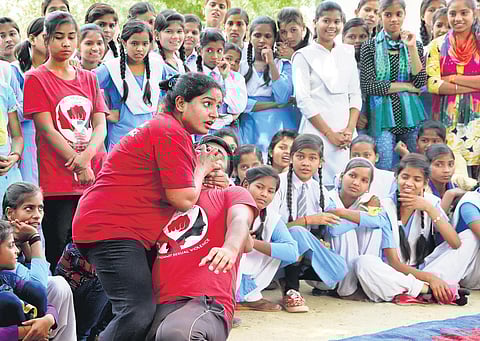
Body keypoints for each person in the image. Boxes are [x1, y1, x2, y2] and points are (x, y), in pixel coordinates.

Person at [72, 73, 225, 341]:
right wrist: (201, 170)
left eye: (218, 106)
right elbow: (184, 199)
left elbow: (186, 188)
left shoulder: (170, 130)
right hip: (112, 227)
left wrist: (205, 176)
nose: (214, 113)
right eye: (207, 103)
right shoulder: (170, 130)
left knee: (138, 309)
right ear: (180, 103)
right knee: (137, 310)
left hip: (118, 227)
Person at [23, 11, 107, 272]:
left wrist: (87, 160)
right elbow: (46, 128)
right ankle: (59, 308)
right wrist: (80, 164)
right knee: (59, 245)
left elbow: (100, 124)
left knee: (89, 245)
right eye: (59, 37)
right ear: (46, 39)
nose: (66, 43)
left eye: (72, 37)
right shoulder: (36, 78)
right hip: (57, 180)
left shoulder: (89, 78)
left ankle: (89, 307)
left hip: (91, 176)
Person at [355, 154, 470, 305]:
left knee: (468, 237)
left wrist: (429, 209)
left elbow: (455, 243)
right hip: (394, 273)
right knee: (364, 263)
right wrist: (431, 280)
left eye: (417, 180)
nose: (409, 183)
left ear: (425, 183)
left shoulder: (430, 202)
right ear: (396, 178)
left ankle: (415, 292)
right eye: (405, 177)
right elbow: (394, 263)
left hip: (426, 269)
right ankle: (427, 291)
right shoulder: (383, 206)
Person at [270, 134, 348, 312]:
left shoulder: (319, 189)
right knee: (297, 233)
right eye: (300, 156)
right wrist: (308, 220)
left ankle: (292, 276)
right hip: (275, 252)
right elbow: (271, 229)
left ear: (320, 162)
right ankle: (291, 289)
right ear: (291, 158)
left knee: (339, 270)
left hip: (302, 254)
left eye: (312, 158)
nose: (306, 163)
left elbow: (337, 220)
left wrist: (321, 239)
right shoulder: (277, 183)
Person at [293, 1, 361, 187]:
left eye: (337, 21)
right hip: (316, 130)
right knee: (315, 182)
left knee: (344, 183)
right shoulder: (303, 55)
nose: (331, 26)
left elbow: (355, 94)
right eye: (326, 21)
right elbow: (303, 100)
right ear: (315, 22)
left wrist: (349, 129)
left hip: (345, 133)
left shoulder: (347, 52)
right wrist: (329, 134)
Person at [5, 182, 77, 340]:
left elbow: (41, 291)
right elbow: (39, 287)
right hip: (9, 318)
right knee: (57, 285)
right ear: (10, 213)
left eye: (41, 208)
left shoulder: (28, 237)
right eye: (29, 208)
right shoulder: (3, 242)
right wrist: (33, 238)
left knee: (59, 284)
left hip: (28, 310)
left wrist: (49, 318)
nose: (37, 215)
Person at [360, 0, 427, 171]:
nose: (394, 19)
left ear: (404, 15)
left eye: (398, 14)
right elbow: (369, 86)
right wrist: (406, 87)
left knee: (416, 164)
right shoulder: (369, 46)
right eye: (388, 15)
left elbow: (419, 82)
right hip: (381, 116)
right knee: (383, 165)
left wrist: (411, 48)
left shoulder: (415, 44)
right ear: (380, 16)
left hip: (411, 114)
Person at [426, 0, 480, 177]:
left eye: (464, 13)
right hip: (447, 120)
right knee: (453, 172)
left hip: (477, 120)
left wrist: (453, 78)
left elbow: (442, 82)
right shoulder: (437, 45)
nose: (458, 18)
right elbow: (433, 84)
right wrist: (472, 86)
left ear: (474, 14)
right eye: (453, 14)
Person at [236, 166, 298, 312]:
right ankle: (225, 298)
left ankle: (250, 297)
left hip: (248, 276)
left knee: (278, 250)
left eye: (270, 191)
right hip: (221, 274)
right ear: (246, 185)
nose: (264, 194)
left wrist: (252, 243)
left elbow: (293, 252)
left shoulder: (271, 217)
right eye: (259, 187)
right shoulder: (231, 206)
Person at [96, 19, 161, 151]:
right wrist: (104, 113)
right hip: (120, 138)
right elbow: (84, 84)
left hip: (149, 136)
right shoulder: (111, 68)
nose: (140, 49)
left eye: (145, 44)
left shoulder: (157, 66)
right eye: (134, 43)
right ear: (124, 42)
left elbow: (177, 85)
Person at [240, 16, 297, 157]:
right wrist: (273, 104)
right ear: (249, 36)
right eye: (257, 35)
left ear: (274, 39)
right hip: (249, 124)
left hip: (278, 124)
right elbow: (238, 101)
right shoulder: (240, 65)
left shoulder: (283, 65)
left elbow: (282, 97)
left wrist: (271, 63)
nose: (262, 40)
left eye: (267, 36)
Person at [0, 220, 58, 341]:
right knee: (9, 301)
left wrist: (48, 320)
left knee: (36, 290)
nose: (17, 250)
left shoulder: (7, 276)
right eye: (11, 245)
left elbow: (42, 294)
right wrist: (29, 331)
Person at [12, 17, 45, 186]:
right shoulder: (15, 71)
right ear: (32, 39)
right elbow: (11, 112)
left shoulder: (66, 71)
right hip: (27, 139)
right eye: (47, 37)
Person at [196, 28, 247, 133]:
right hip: (198, 131)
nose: (215, 56)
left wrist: (226, 77)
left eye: (219, 51)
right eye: (209, 51)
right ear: (200, 50)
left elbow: (237, 108)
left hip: (227, 132)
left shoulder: (235, 77)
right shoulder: (192, 74)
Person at [425, 143, 476, 215]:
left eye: (450, 164)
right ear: (427, 166)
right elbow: (434, 223)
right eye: (438, 165)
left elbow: (477, 187)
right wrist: (449, 195)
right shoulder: (423, 190)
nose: (447, 170)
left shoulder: (457, 181)